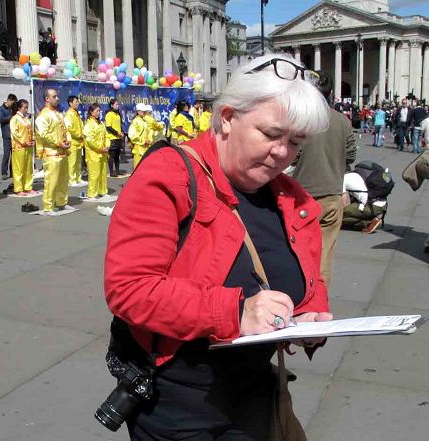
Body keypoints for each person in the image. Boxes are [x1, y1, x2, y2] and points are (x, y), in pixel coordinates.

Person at [104, 54, 332, 440]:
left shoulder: (292, 198)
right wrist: (236, 311)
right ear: (227, 117)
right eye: (271, 134)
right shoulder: (169, 175)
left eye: (295, 142)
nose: (282, 153)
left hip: (255, 393)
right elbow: (129, 289)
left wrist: (311, 316)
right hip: (179, 402)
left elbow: (308, 278)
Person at [293, 70, 356, 288]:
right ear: (330, 94)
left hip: (301, 194)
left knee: (298, 252)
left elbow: (294, 155)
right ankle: (319, 300)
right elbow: (351, 156)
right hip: (331, 193)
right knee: (325, 254)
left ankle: (300, 295)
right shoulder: (342, 121)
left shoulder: (302, 121)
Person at [35, 89, 71, 214]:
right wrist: (58, 143)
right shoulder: (43, 115)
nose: (57, 98)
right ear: (47, 99)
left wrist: (67, 142)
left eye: (57, 96)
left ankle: (62, 202)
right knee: (51, 180)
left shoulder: (59, 114)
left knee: (63, 180)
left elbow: (65, 130)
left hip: (62, 152)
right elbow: (43, 134)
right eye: (54, 96)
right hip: (51, 153)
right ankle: (48, 206)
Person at [83, 103, 110, 200]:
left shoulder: (101, 123)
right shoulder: (89, 124)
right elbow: (90, 140)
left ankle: (102, 191)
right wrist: (99, 147)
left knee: (103, 173)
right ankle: (92, 193)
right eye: (97, 111)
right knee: (94, 174)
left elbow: (106, 135)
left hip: (103, 152)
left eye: (99, 111)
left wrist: (107, 145)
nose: (99, 113)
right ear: (91, 112)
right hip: (93, 153)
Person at [10, 99, 36, 196]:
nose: (26, 109)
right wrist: (23, 142)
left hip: (28, 146)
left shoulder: (26, 119)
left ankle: (28, 187)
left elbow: (31, 131)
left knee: (28, 168)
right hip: (19, 147)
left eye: (27, 107)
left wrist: (33, 139)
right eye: (24, 107)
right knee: (19, 168)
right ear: (19, 108)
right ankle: (18, 188)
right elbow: (14, 133)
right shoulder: (15, 119)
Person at [64, 95, 86, 186]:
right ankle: (71, 179)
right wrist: (79, 135)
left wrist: (83, 134)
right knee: (72, 162)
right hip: (72, 141)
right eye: (75, 102)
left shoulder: (76, 113)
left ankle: (78, 178)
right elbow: (69, 128)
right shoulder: (69, 114)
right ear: (70, 103)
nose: (77, 103)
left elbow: (81, 125)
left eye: (77, 102)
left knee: (78, 162)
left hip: (79, 141)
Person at [0, 94, 18, 180]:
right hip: (6, 135)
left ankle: (13, 172)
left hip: (14, 134)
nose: (13, 105)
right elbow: (1, 119)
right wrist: (12, 116)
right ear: (8, 100)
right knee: (6, 154)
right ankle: (4, 172)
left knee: (14, 154)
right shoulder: (1, 109)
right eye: (12, 103)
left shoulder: (13, 108)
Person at [105, 98, 125, 177]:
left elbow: (120, 125)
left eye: (118, 104)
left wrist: (122, 132)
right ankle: (111, 171)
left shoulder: (118, 114)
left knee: (117, 155)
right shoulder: (109, 114)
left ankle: (117, 170)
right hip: (112, 137)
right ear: (112, 105)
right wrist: (117, 133)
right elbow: (108, 127)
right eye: (116, 104)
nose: (118, 105)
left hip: (118, 138)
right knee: (112, 155)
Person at [128, 103, 150, 168]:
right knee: (138, 168)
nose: (145, 112)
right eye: (143, 111)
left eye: (145, 111)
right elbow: (132, 135)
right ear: (138, 111)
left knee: (145, 168)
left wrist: (149, 140)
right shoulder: (135, 121)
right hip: (138, 148)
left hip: (145, 147)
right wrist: (143, 141)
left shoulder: (144, 121)